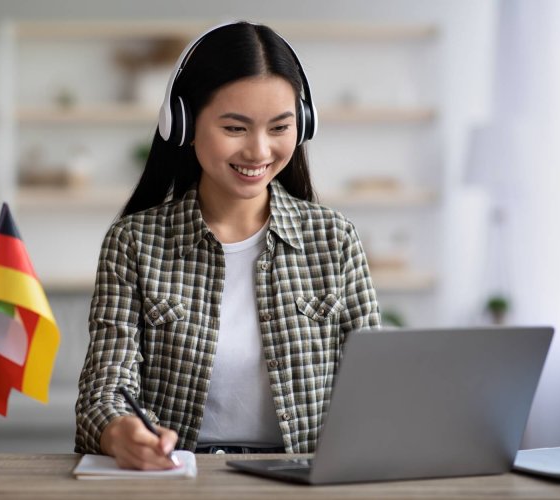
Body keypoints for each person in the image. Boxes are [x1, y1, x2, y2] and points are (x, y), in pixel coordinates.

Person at [75, 21, 381, 470]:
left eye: (279, 127)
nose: (259, 151)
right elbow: (104, 389)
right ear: (184, 124)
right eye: (235, 128)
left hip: (302, 480)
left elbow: (373, 386)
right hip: (178, 477)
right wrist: (121, 431)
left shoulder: (335, 240)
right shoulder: (133, 243)